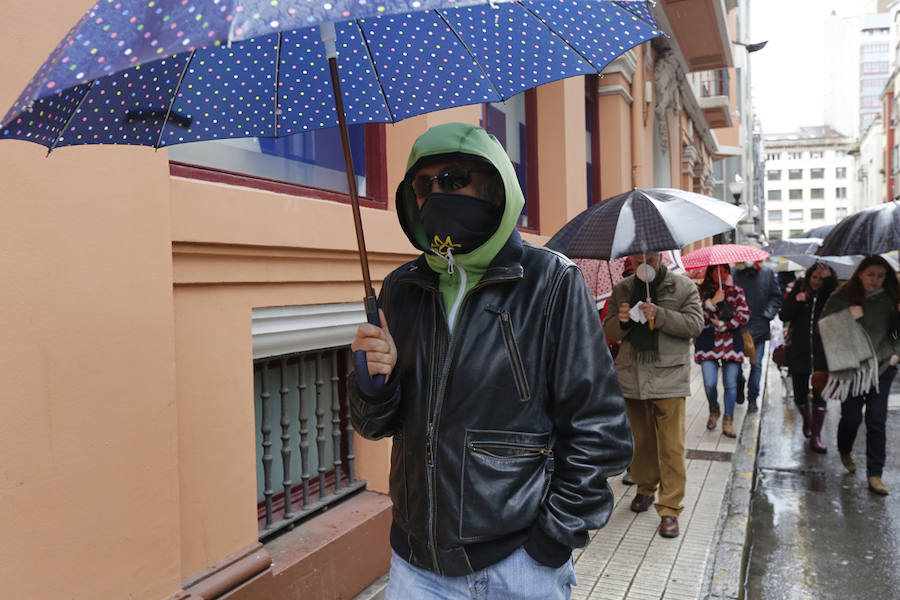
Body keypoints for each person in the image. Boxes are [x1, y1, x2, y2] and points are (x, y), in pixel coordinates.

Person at [349, 122, 631, 598]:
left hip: (517, 565)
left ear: (494, 186)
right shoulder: (401, 288)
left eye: (455, 179)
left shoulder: (550, 281)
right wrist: (374, 384)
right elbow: (376, 426)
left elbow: (599, 429)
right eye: (424, 185)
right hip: (416, 566)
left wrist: (551, 539)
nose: (438, 192)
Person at [603, 252, 704, 538]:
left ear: (659, 256)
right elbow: (609, 329)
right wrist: (621, 321)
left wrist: (660, 315)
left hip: (669, 375)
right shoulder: (622, 288)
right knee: (640, 441)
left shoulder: (683, 287)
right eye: (635, 259)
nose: (641, 261)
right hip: (632, 374)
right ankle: (645, 489)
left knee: (671, 445)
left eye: (647, 257)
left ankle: (670, 508)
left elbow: (695, 325)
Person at [819, 255, 900, 495]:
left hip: (882, 367)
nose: (875, 280)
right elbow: (823, 323)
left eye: (880, 275)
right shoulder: (843, 296)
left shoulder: (891, 300)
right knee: (851, 418)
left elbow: (896, 333)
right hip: (850, 367)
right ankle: (845, 448)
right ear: (860, 274)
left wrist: (896, 352)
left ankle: (875, 474)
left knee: (876, 421)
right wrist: (847, 315)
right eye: (870, 274)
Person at [778, 262, 837, 452]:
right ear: (808, 276)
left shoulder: (829, 297)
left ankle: (816, 436)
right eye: (814, 277)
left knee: (820, 395)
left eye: (822, 279)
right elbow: (783, 314)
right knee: (799, 396)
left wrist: (829, 280)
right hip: (799, 353)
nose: (817, 282)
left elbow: (837, 304)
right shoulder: (798, 289)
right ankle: (807, 420)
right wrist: (797, 300)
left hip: (823, 355)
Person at [694, 264, 750, 438]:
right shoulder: (699, 292)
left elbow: (744, 314)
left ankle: (728, 420)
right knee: (710, 382)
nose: (722, 274)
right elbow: (696, 318)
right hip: (708, 343)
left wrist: (725, 325)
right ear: (711, 273)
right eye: (718, 271)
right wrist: (712, 302)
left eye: (725, 271)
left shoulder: (736, 291)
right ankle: (714, 409)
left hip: (731, 343)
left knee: (730, 383)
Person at [733, 262, 783, 412]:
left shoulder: (767, 273)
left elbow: (776, 297)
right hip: (739, 328)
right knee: (735, 365)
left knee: (757, 364)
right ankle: (740, 386)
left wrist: (766, 316)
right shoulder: (734, 273)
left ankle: (753, 398)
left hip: (759, 327)